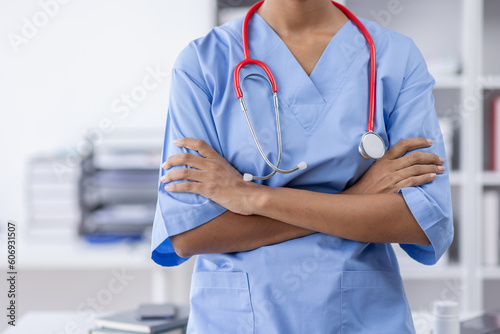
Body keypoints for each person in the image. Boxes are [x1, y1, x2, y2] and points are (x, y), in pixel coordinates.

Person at [151, 0, 453, 332]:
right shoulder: (202, 63)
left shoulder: (395, 57)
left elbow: (420, 219)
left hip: (360, 319)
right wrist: (358, 196)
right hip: (240, 321)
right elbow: (189, 233)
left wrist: (253, 198)